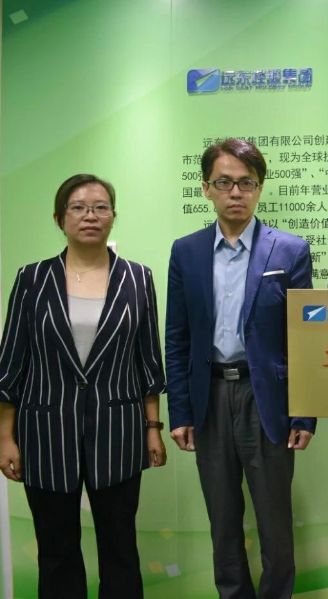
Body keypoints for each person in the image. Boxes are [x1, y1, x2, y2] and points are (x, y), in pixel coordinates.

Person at [0, 174, 166, 599]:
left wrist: (153, 429)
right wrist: (6, 438)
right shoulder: (32, 279)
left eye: (100, 207)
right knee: (56, 549)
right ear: (59, 218)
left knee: (120, 546)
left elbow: (148, 360)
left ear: (113, 216)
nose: (90, 215)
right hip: (46, 431)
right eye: (78, 207)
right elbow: (11, 363)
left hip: (119, 431)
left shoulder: (137, 278)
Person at [165, 137, 316, 599]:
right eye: (224, 182)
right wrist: (181, 412)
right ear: (206, 188)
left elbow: (304, 339)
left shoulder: (289, 250)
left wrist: (304, 413)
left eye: (246, 183)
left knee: (275, 523)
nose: (236, 192)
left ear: (259, 188)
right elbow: (177, 337)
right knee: (223, 522)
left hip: (266, 399)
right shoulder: (186, 252)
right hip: (209, 398)